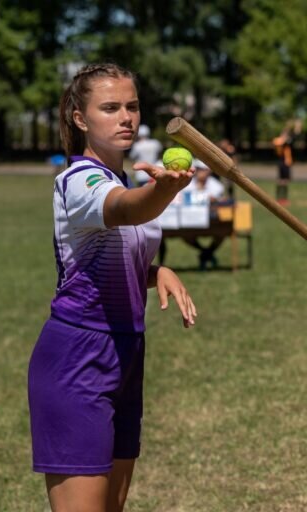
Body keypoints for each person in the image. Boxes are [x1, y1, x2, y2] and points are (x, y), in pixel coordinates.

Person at [27, 63, 198, 512]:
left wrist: (156, 272)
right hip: (77, 356)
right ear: (80, 118)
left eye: (132, 106)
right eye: (110, 108)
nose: (126, 117)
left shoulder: (121, 180)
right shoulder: (79, 181)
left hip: (126, 354)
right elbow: (124, 210)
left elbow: (118, 252)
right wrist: (163, 191)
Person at [159, 159, 228, 269]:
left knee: (222, 232)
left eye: (202, 169)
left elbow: (222, 203)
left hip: (212, 221)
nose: (199, 172)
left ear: (209, 171)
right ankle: (206, 253)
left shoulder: (217, 186)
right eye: (198, 169)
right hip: (189, 221)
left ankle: (206, 253)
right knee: (185, 234)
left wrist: (216, 200)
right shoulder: (187, 183)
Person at [272, 119, 301, 206]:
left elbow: (294, 135)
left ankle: (281, 198)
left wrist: (293, 126)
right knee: (283, 181)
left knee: (283, 181)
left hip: (283, 162)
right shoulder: (280, 141)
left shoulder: (279, 140)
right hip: (284, 163)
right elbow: (292, 135)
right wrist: (292, 126)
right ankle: (281, 198)